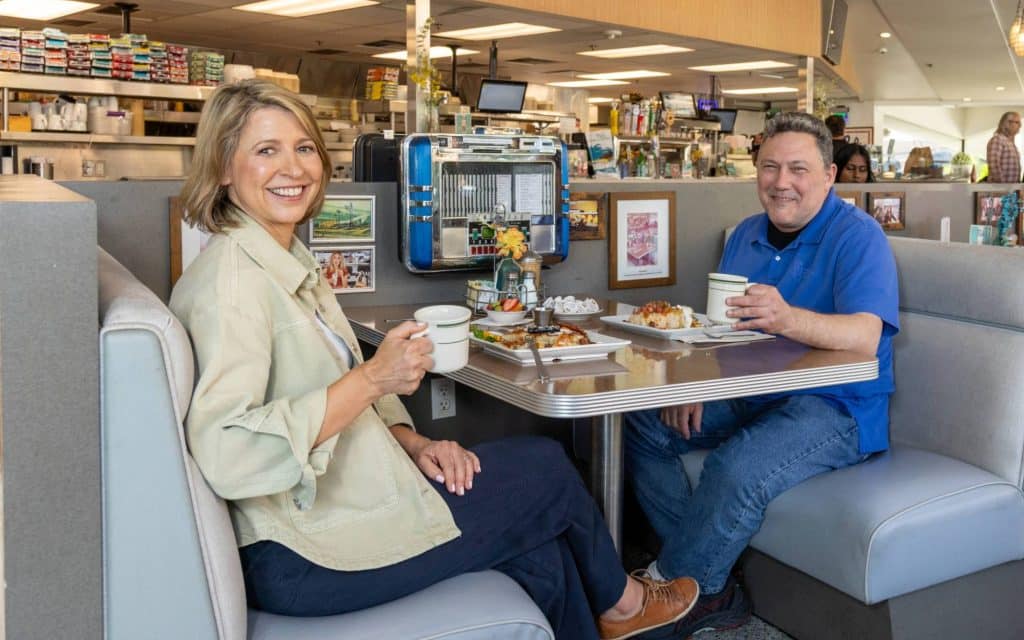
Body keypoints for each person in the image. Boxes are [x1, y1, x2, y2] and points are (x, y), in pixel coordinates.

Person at [168, 79, 700, 640]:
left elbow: (335, 403)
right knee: (545, 469)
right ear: (223, 167)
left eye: (303, 148)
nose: (293, 168)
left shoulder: (284, 261)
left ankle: (613, 616)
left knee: (540, 549)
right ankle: (624, 604)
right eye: (266, 150)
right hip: (301, 551)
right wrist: (373, 378)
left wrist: (417, 444)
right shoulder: (231, 285)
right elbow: (228, 452)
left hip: (343, 505)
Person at [624, 112, 899, 637]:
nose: (781, 181)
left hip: (836, 405)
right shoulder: (747, 233)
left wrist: (788, 318)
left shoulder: (858, 236)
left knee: (736, 465)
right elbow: (721, 327)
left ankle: (680, 588)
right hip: (752, 392)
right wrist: (694, 381)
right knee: (641, 421)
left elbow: (865, 336)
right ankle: (704, 580)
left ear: (829, 176)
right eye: (770, 167)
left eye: (798, 169)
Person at [986, 111, 1021, 183]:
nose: (1020, 125)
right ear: (1007, 123)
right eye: (1017, 122)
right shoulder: (997, 140)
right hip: (1001, 188)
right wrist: (1003, 186)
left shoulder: (1010, 143)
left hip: (1011, 188)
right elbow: (994, 165)